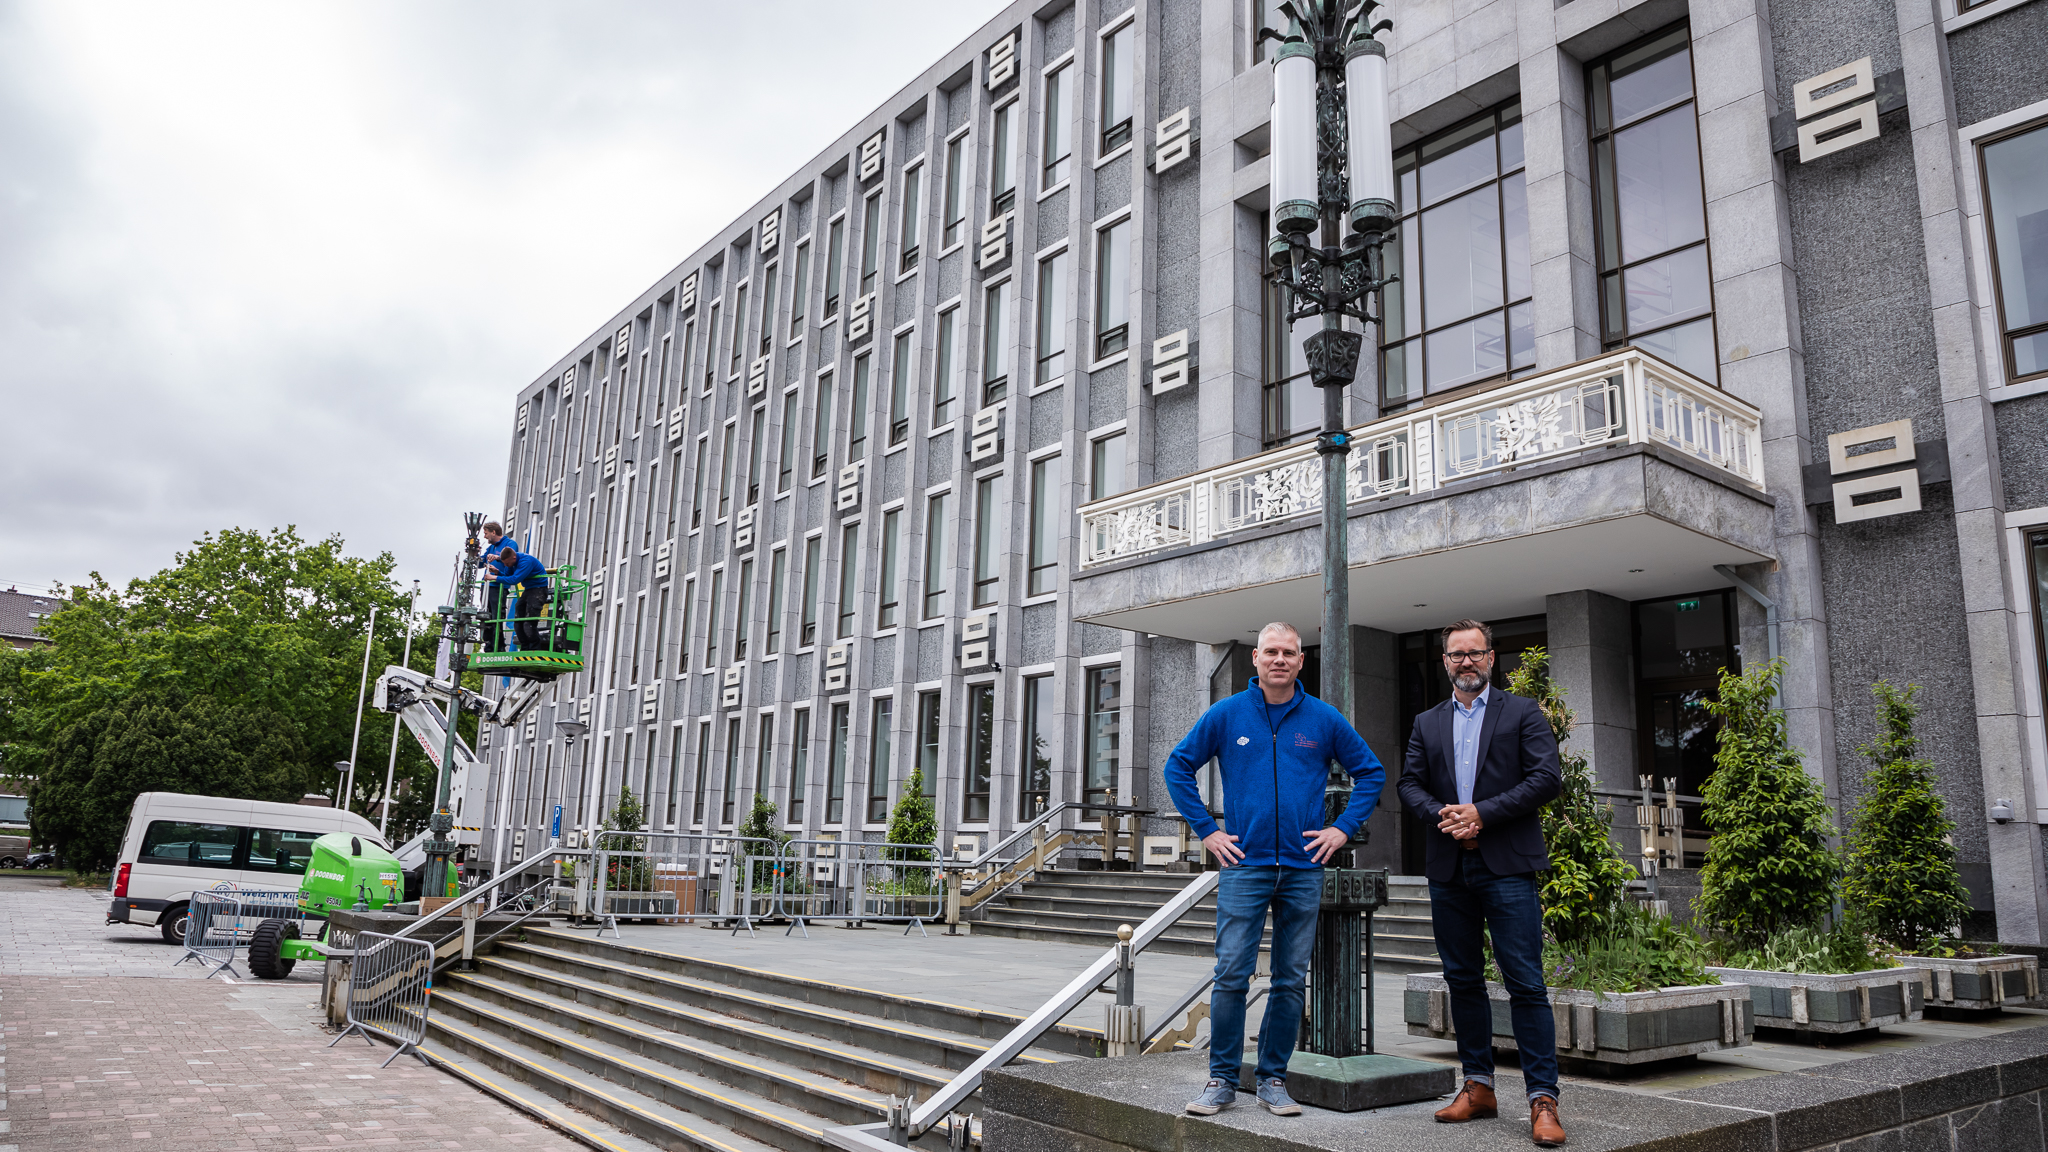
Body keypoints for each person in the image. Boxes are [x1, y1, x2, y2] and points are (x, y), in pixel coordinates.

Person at [1163, 621, 1384, 1119]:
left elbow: (1371, 771)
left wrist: (1343, 828)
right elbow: (1177, 767)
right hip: (1244, 866)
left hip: (1305, 868)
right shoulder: (1227, 715)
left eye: (1289, 652)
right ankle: (1220, 1079)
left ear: (1301, 661)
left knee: (1289, 980)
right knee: (1231, 974)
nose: (1279, 659)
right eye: (1271, 652)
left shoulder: (1323, 720)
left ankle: (1273, 1080)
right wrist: (1208, 830)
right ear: (1256, 660)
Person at [1396, 619, 1566, 1148]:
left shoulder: (1522, 712)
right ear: (1445, 662)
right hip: (1449, 867)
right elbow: (1409, 784)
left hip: (1507, 865)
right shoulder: (1427, 721)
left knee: (1526, 983)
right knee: (1462, 980)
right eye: (1455, 655)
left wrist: (1482, 814)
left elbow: (1545, 778)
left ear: (1492, 658)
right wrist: (1444, 815)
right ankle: (1478, 1086)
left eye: (1474, 654)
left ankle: (1542, 1099)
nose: (1464, 662)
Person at [494, 546, 551, 652]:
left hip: (538, 589)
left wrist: (495, 578)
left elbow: (515, 579)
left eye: (507, 563)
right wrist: (498, 573)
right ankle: (525, 648)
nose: (506, 565)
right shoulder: (512, 562)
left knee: (529, 623)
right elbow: (508, 576)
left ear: (513, 558)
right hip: (529, 590)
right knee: (518, 620)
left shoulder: (525, 561)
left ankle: (534, 649)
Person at [479, 522, 519, 652]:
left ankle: (498, 646)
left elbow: (513, 559)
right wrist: (475, 555)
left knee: (496, 617)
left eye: (486, 533)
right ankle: (489, 645)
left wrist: (497, 557)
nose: (485, 537)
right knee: (486, 616)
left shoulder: (510, 544)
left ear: (493, 532)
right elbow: (481, 562)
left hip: (498, 585)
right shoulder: (490, 547)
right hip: (487, 585)